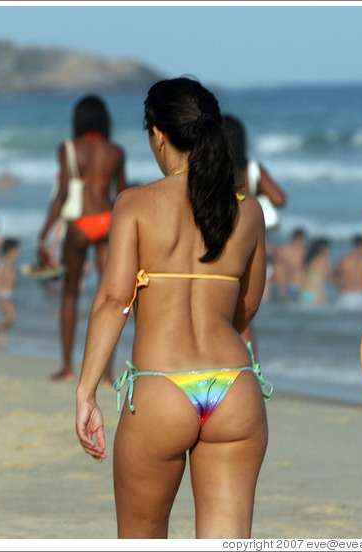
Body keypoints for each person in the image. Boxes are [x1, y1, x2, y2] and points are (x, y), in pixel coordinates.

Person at [75, 77, 272, 538]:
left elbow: (112, 301)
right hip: (234, 388)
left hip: (162, 388)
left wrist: (86, 392)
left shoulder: (136, 205)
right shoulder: (248, 211)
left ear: (158, 135)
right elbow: (247, 305)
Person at [37, 94, 127, 384]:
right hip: (107, 221)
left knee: (71, 294)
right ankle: (107, 373)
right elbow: (122, 196)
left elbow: (63, 195)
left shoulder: (69, 149)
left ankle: (66, 368)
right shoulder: (116, 152)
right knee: (111, 298)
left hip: (79, 224)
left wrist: (43, 234)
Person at [223, 114, 286, 357]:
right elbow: (280, 199)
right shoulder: (252, 169)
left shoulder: (213, 172)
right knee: (245, 316)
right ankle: (253, 372)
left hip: (222, 245)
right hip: (250, 246)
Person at [0, 238, 20, 348]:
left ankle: (3, 339)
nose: (18, 253)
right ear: (10, 251)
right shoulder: (5, 263)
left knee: (9, 318)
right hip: (4, 294)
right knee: (11, 317)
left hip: (10, 295)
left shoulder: (11, 263)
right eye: (16, 250)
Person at [335, 234, 362, 307]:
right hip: (360, 295)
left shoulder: (344, 260)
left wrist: (340, 287)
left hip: (346, 295)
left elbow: (335, 277)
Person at [272, 228, 307, 301]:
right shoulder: (284, 251)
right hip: (288, 287)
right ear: (298, 239)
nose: (301, 243)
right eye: (301, 240)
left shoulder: (303, 252)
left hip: (298, 287)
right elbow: (280, 270)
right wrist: (282, 288)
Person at [299, 237, 334, 306]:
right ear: (323, 249)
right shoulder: (324, 260)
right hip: (317, 292)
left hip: (306, 292)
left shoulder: (308, 259)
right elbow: (331, 276)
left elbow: (302, 275)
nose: (328, 251)